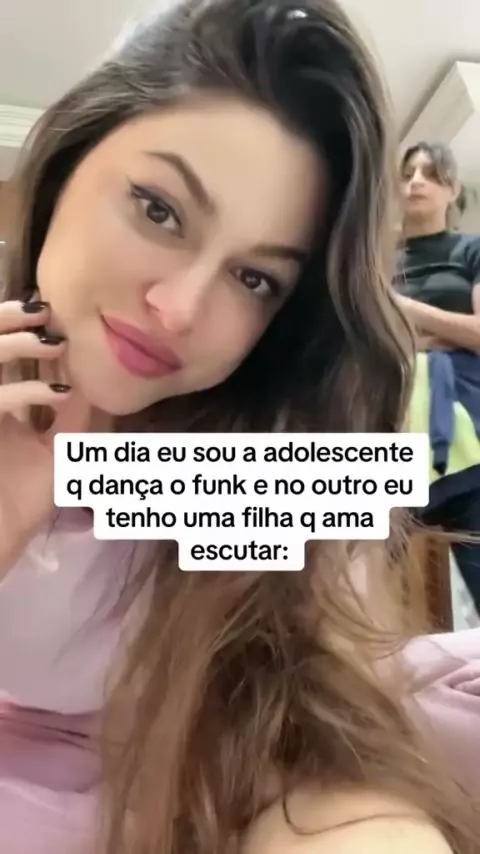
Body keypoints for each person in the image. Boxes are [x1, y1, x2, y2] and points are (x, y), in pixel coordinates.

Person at [0, 2, 477, 853]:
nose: (180, 308)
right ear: (68, 159)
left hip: (173, 761)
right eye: (159, 209)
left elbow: (314, 730)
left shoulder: (257, 452)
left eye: (255, 279)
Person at [395, 142, 480, 612]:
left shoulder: (471, 251)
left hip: (471, 436)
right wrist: (445, 334)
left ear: (452, 190)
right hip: (386, 433)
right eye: (408, 173)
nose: (416, 182)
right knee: (351, 600)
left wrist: (403, 310)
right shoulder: (371, 262)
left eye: (431, 174)